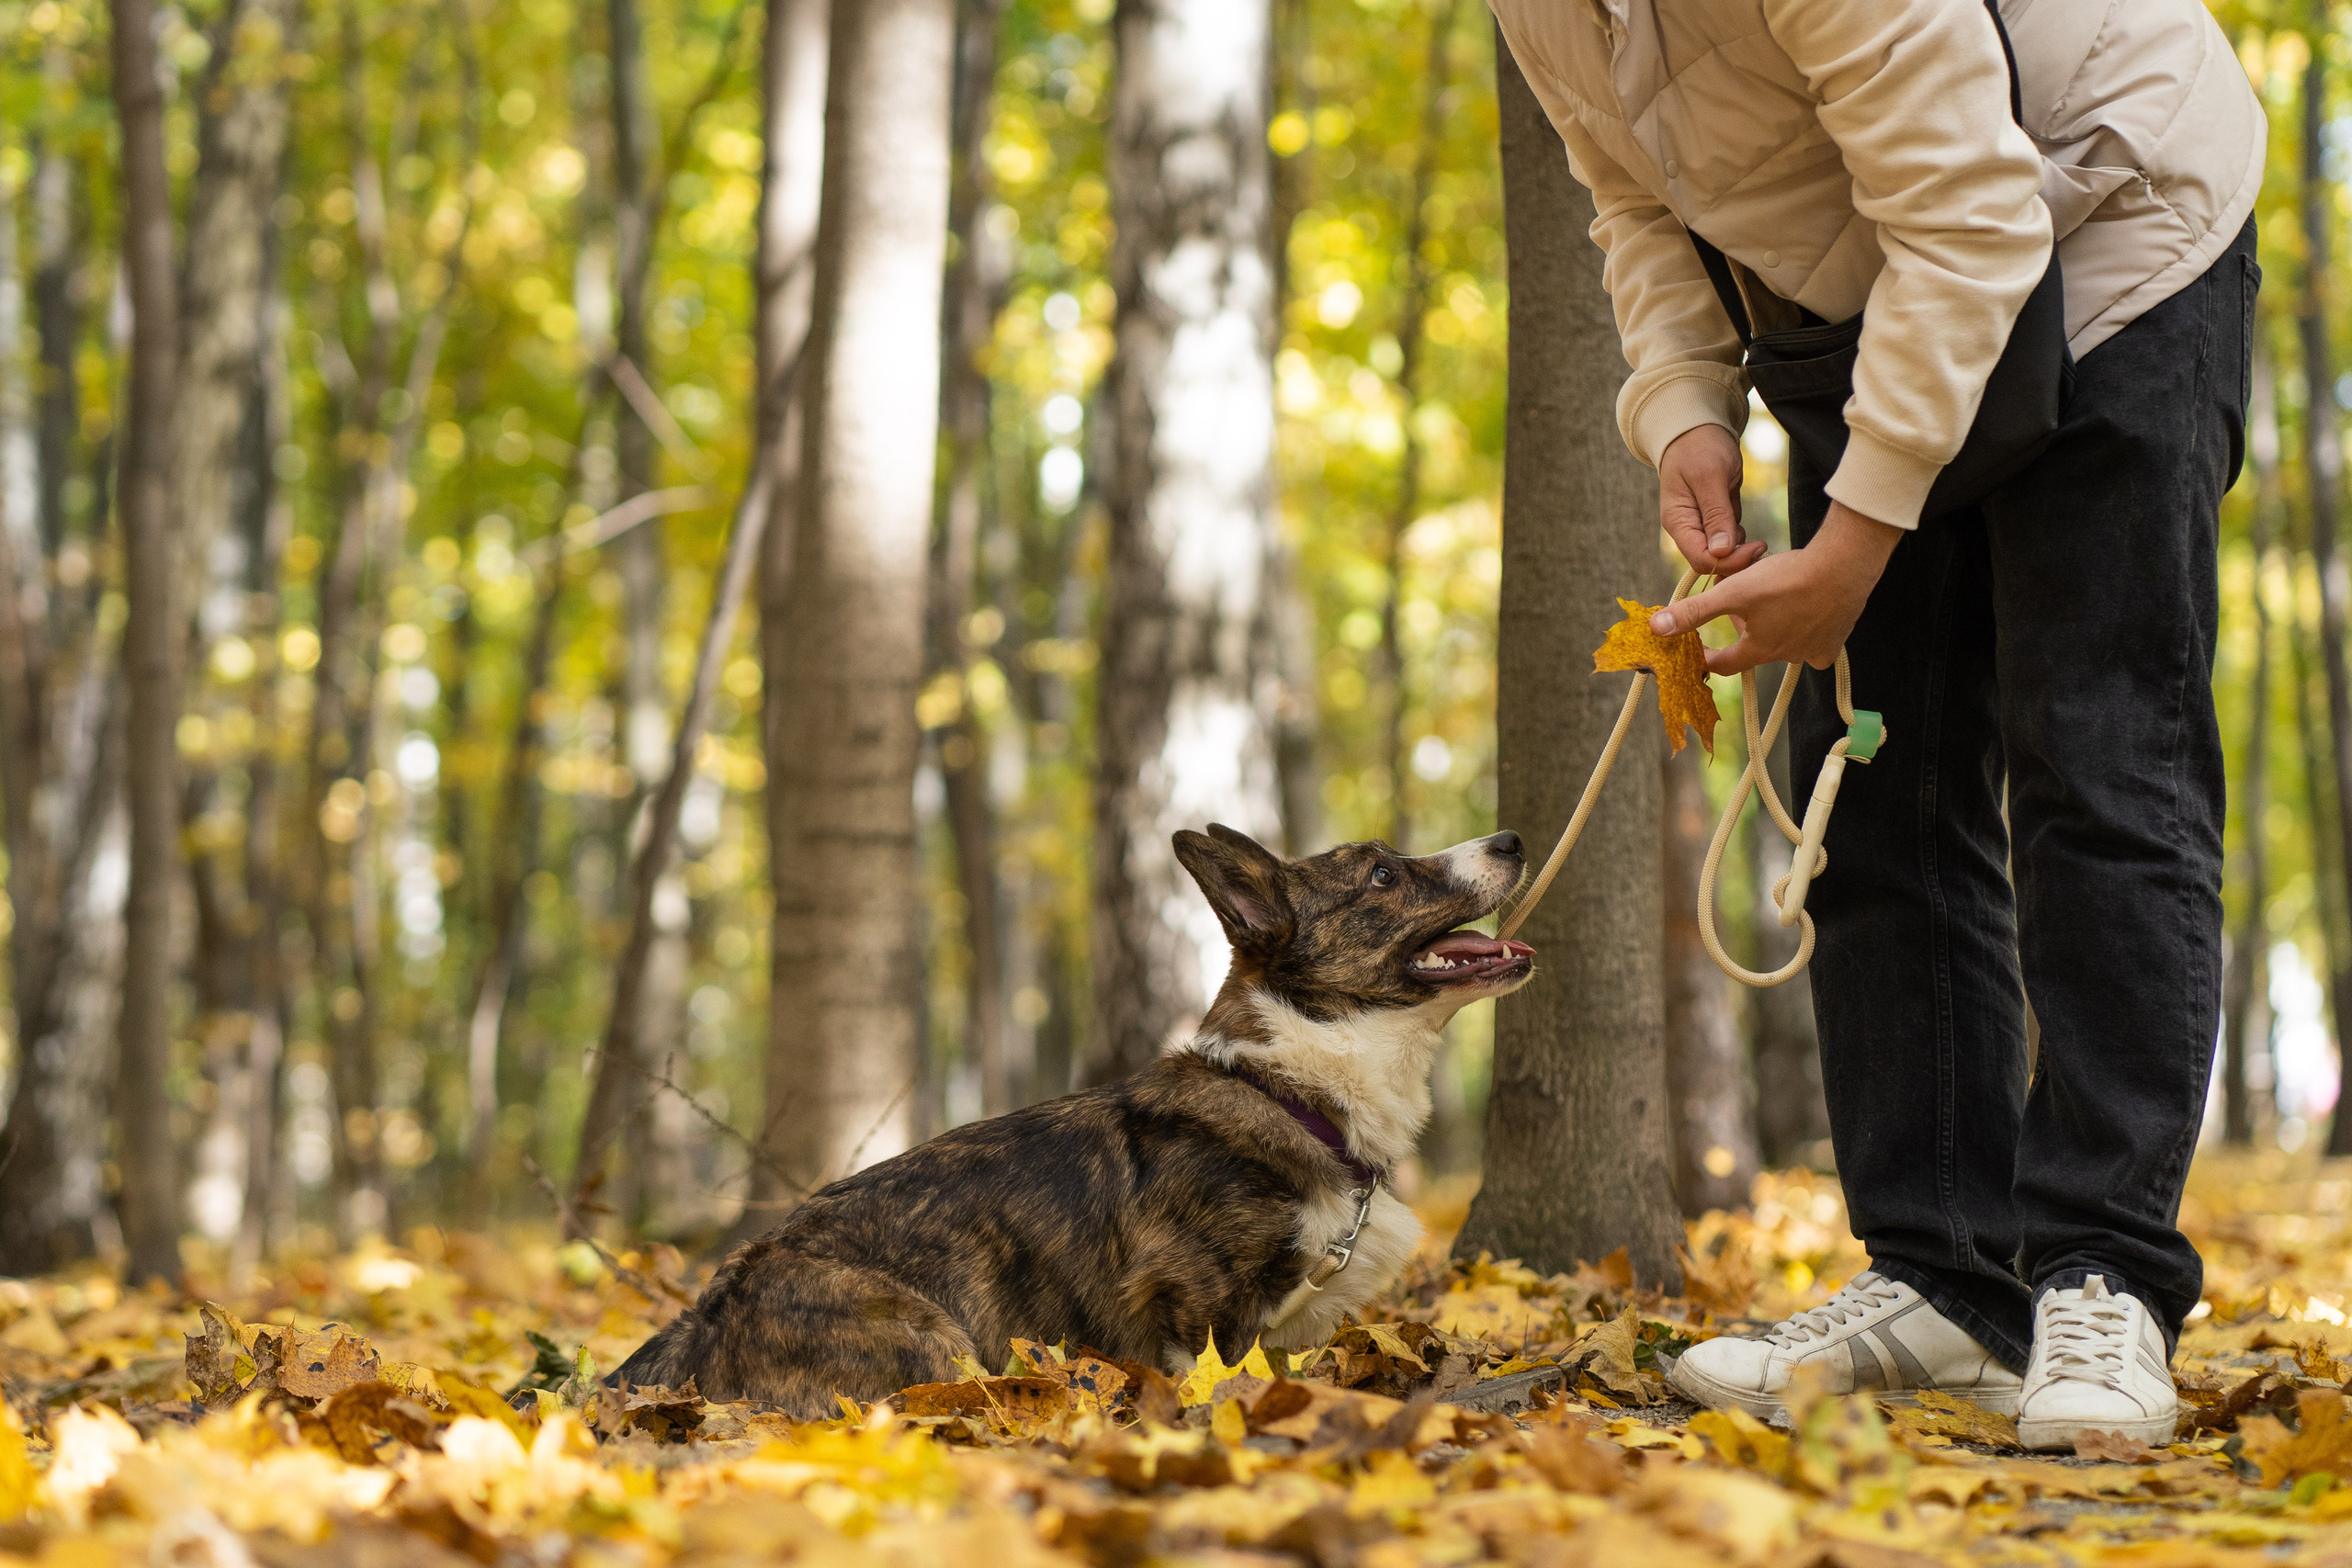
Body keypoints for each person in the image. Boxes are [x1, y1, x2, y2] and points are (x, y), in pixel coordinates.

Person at [1484, 0, 2264, 1451]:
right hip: (1878, 293)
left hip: (2112, 230)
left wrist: (1850, 549)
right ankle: (1948, 1282)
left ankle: (2104, 1277)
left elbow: (1974, 215)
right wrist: (1685, 408)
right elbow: (1637, 200)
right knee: (1875, 788)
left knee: (2098, 756)